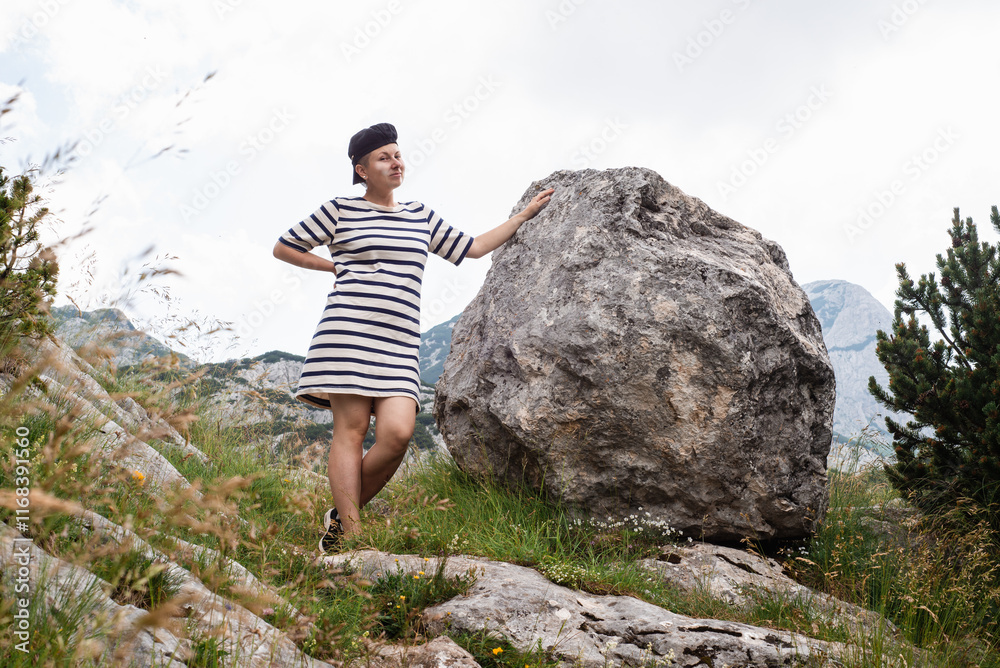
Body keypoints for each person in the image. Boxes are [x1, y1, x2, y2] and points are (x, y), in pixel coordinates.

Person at [272, 122, 553, 553]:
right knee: (350, 430)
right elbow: (285, 246)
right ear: (361, 170)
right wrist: (333, 268)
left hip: (401, 342)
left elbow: (473, 248)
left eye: (397, 154)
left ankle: (341, 516)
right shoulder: (340, 211)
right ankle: (352, 535)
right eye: (383, 157)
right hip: (347, 330)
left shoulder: (419, 215)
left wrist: (522, 217)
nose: (395, 162)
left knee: (398, 434)